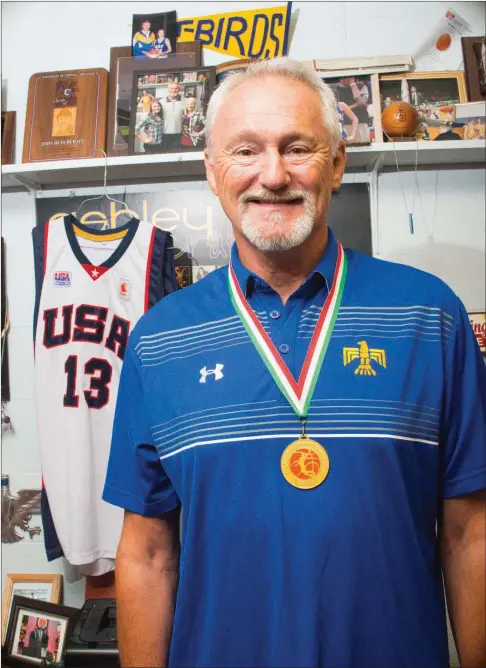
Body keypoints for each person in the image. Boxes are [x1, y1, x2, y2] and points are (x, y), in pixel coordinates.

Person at [104, 58, 486, 668]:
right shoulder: (158, 340)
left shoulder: (429, 315)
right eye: (246, 150)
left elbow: (471, 533)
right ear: (212, 170)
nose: (273, 175)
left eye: (297, 147)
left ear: (336, 162)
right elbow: (148, 552)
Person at [160, 82, 184, 151]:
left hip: (179, 134)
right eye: (172, 88)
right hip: (165, 134)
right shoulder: (161, 102)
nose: (174, 90)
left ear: (179, 89)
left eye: (176, 88)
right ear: (168, 89)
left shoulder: (184, 101)